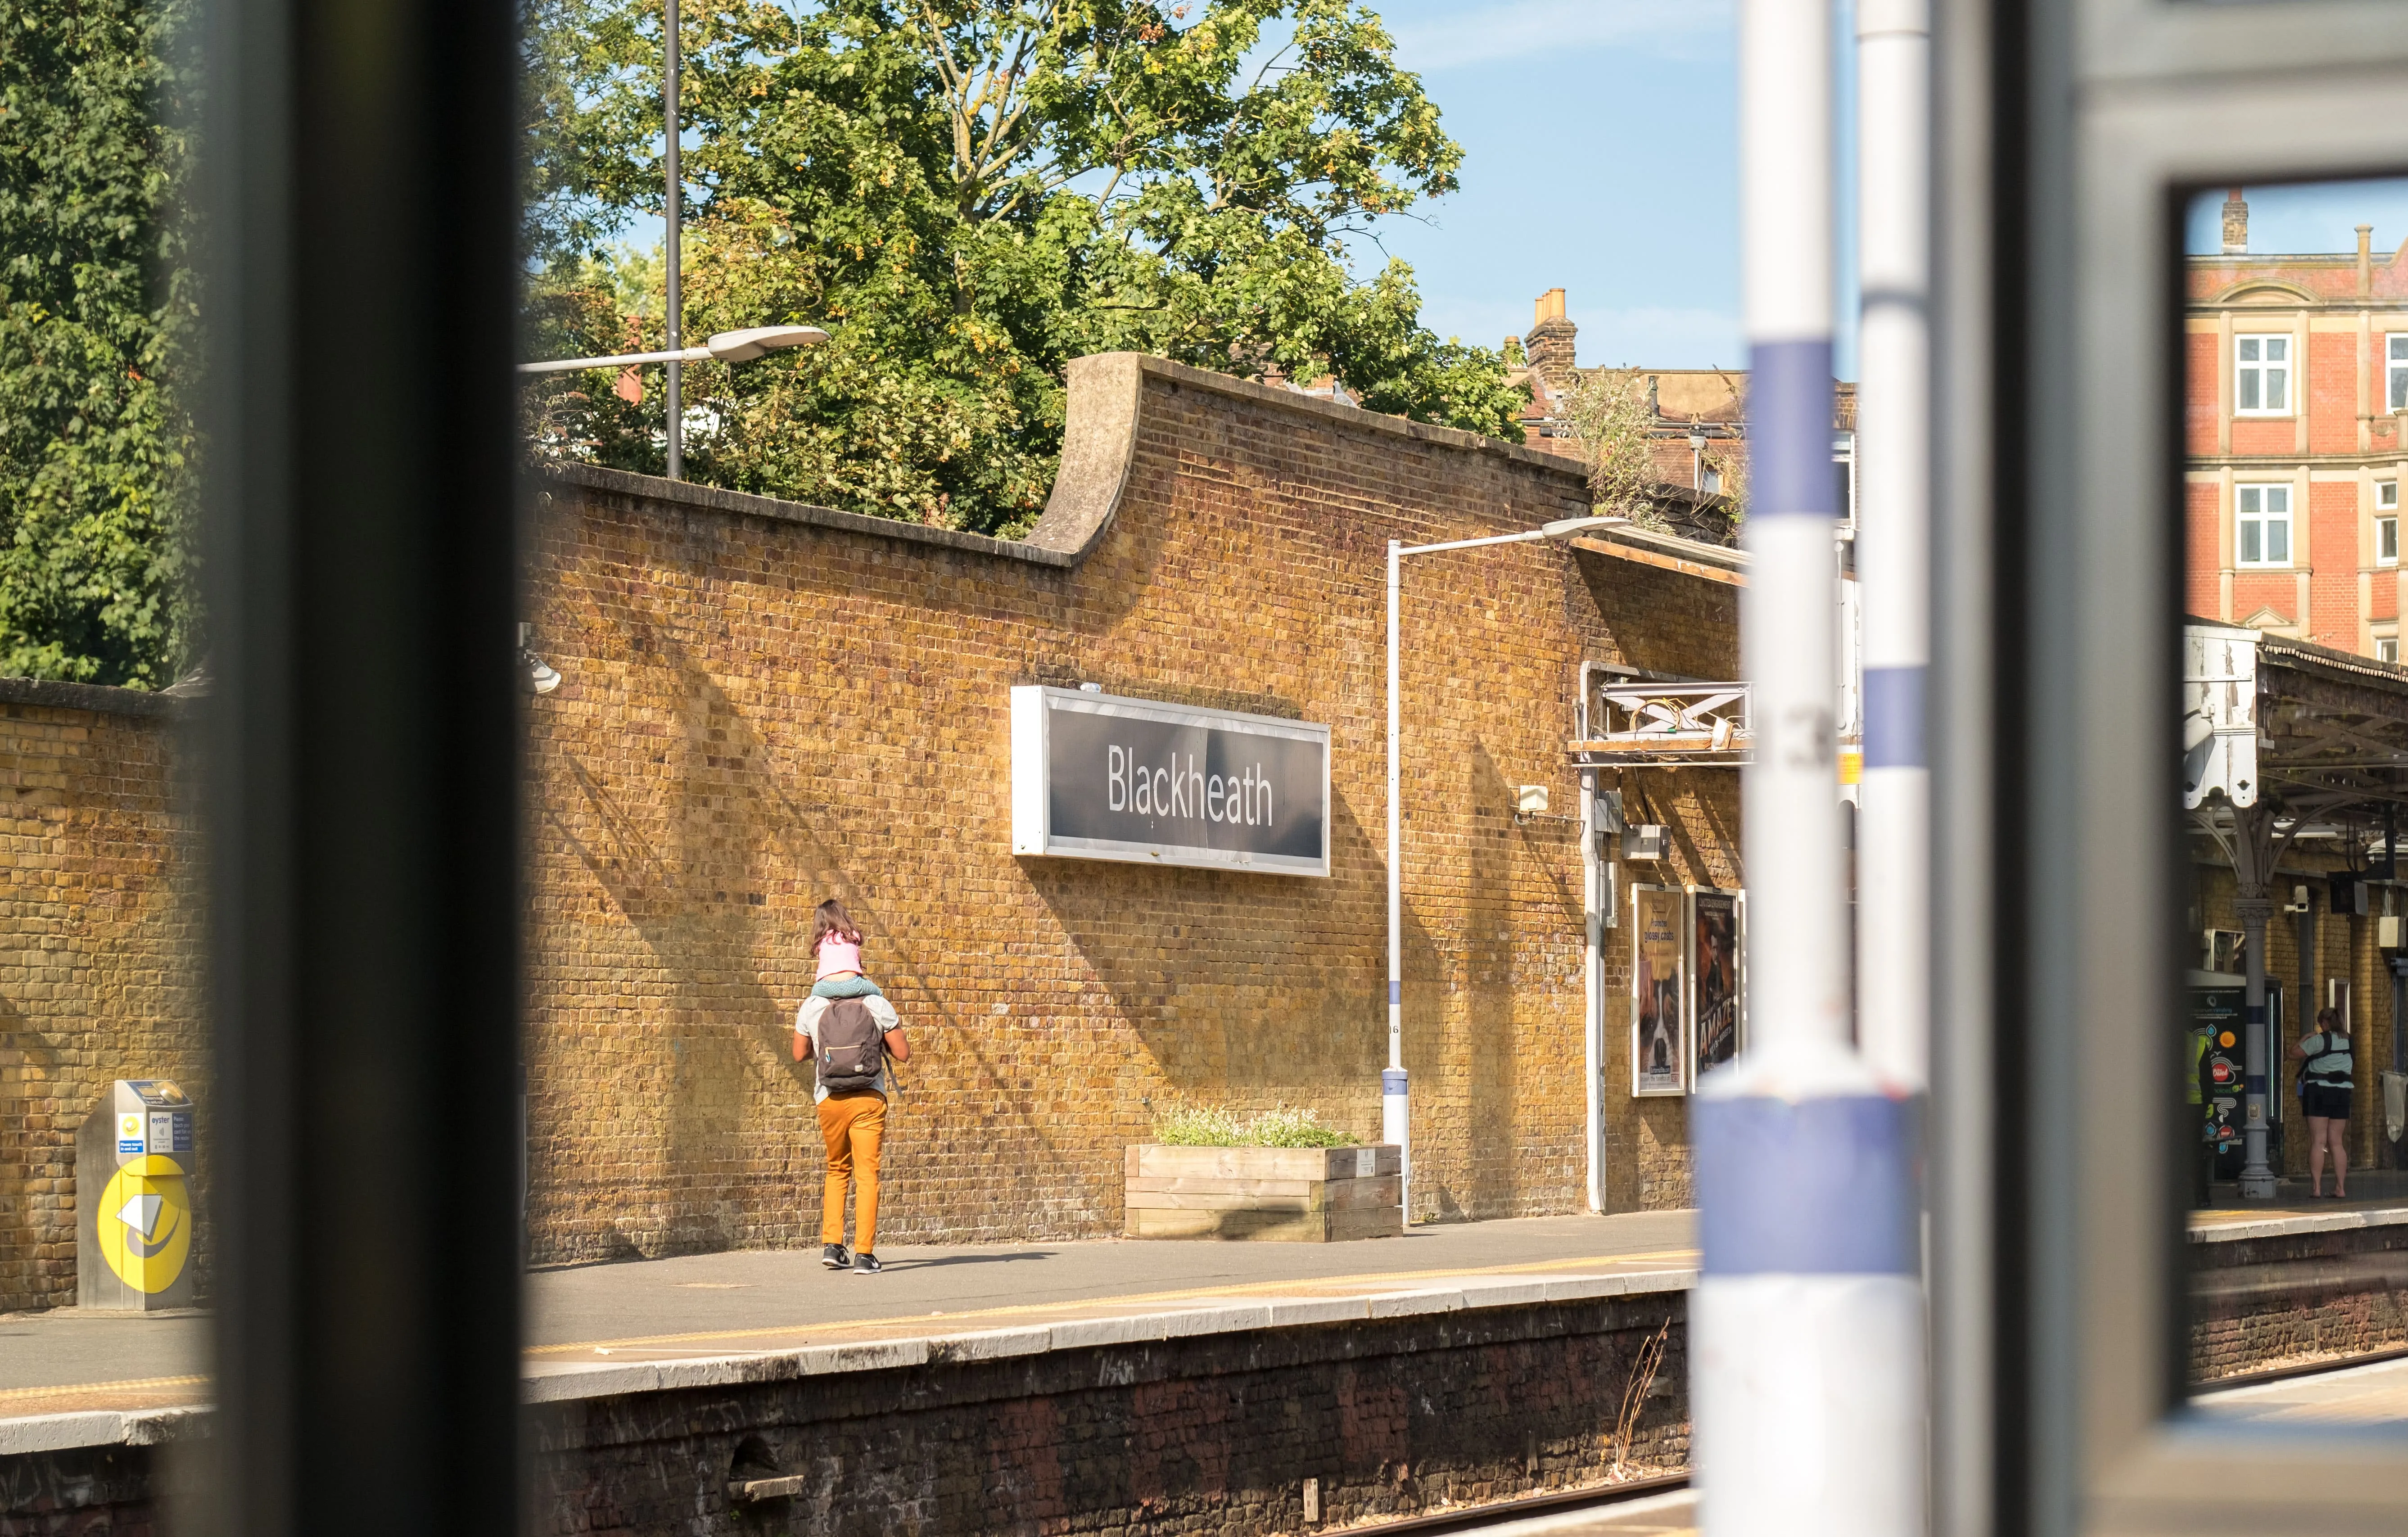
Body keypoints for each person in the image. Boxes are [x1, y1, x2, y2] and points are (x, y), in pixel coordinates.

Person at [796, 902, 908, 1274]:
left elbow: (798, 1054)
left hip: (828, 1098)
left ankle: (832, 1246)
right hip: (868, 1098)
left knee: (836, 1170)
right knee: (867, 1174)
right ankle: (864, 1254)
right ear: (857, 962)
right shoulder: (875, 1002)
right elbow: (903, 1054)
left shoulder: (812, 1005)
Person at [2290, 1006, 2354, 1198]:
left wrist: (2305, 1038)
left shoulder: (2320, 1040)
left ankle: (2317, 1188)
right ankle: (2340, 1188)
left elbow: (2292, 1053)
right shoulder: (2350, 1042)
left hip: (2319, 1091)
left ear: (2325, 1023)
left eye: (2320, 1023)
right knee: (2337, 1143)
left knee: (2318, 1141)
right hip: (2342, 1093)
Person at [809, 898, 882, 999]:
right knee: (878, 993)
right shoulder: (852, 935)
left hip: (825, 987)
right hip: (852, 984)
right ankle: (891, 1016)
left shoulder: (821, 941)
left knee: (812, 1001)